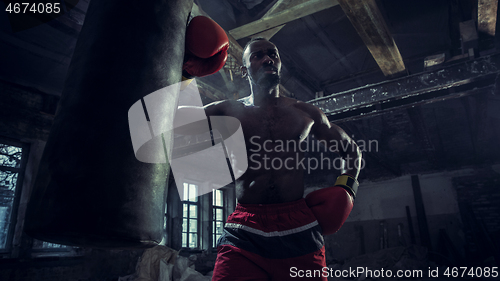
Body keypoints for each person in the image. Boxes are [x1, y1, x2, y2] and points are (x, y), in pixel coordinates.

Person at [196, 37, 363, 281]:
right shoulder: (226, 111)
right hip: (246, 228)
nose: (267, 59)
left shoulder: (305, 113)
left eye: (272, 54)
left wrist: (347, 190)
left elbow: (350, 151)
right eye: (257, 55)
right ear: (244, 70)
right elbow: (172, 125)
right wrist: (183, 72)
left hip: (298, 226)